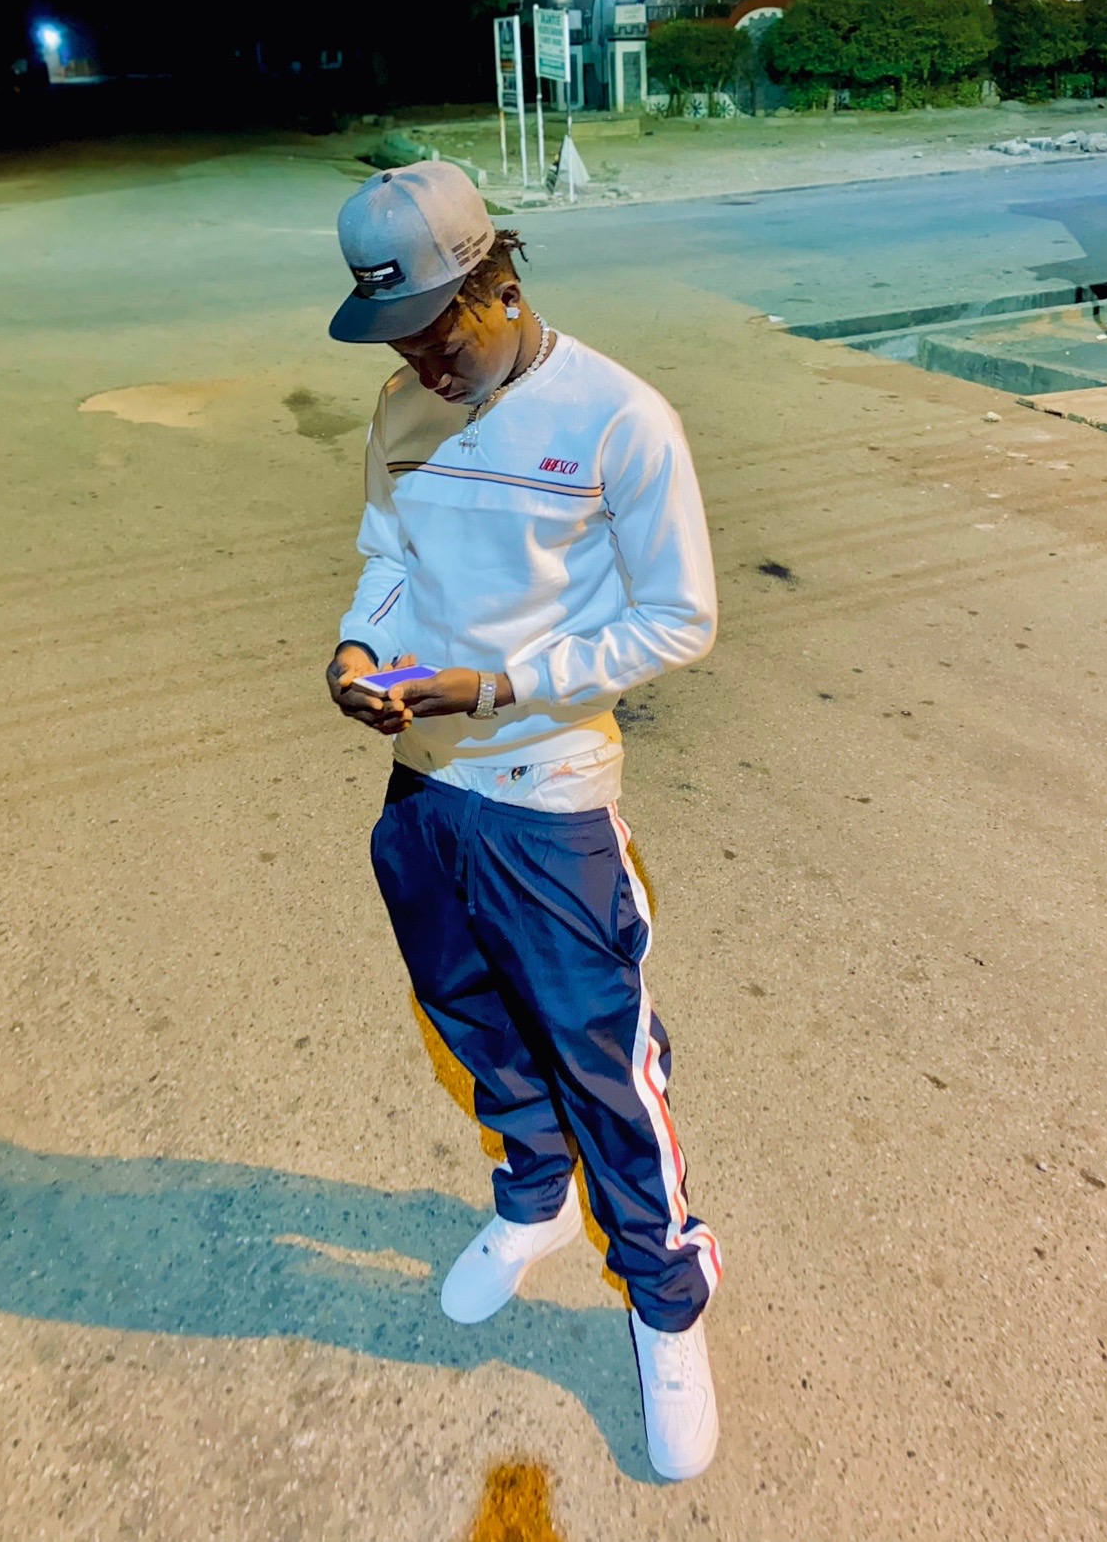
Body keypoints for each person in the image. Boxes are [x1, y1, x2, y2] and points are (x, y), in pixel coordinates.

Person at [324, 161, 721, 1480]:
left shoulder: (619, 421)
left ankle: (667, 1304)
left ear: (498, 282)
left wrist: (498, 684)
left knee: (607, 1067)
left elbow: (678, 618)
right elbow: (389, 558)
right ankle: (535, 1199)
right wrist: (359, 646)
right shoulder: (404, 406)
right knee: (467, 1017)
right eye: (395, 339)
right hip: (423, 788)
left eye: (434, 331)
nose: (419, 363)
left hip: (547, 797)